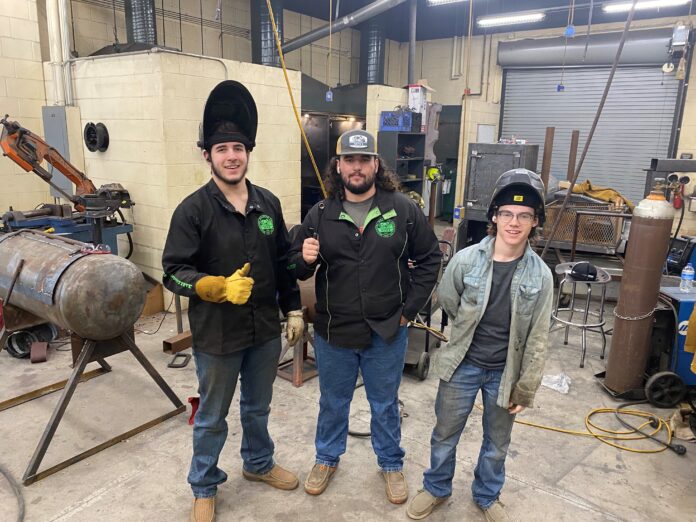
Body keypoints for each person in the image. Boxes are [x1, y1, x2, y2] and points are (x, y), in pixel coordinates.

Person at [161, 80, 305, 522]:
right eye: (222, 148)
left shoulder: (268, 204)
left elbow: (282, 262)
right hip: (218, 337)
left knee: (257, 407)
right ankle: (204, 486)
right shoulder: (192, 211)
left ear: (248, 153)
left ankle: (258, 464)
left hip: (263, 330)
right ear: (208, 155)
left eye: (238, 148)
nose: (231, 156)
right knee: (212, 417)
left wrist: (294, 308)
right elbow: (172, 272)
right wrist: (213, 287)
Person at [289, 129, 441, 504]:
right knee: (333, 402)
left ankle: (390, 464)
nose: (357, 167)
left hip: (386, 331)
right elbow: (296, 267)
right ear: (338, 166)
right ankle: (326, 458)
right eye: (349, 160)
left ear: (376, 164)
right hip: (333, 331)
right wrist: (303, 258)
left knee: (385, 403)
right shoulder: (320, 213)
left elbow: (430, 258)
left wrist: (409, 311)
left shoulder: (402, 209)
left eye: (364, 160)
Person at [406, 169, 554, 521]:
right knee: (445, 433)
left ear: (535, 222)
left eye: (524, 216)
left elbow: (538, 337)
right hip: (463, 364)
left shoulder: (541, 275)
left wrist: (526, 387)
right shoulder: (466, 259)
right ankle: (436, 488)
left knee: (497, 443)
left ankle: (487, 495)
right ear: (494, 217)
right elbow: (447, 298)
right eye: (506, 214)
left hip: (505, 371)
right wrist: (467, 329)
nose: (514, 223)